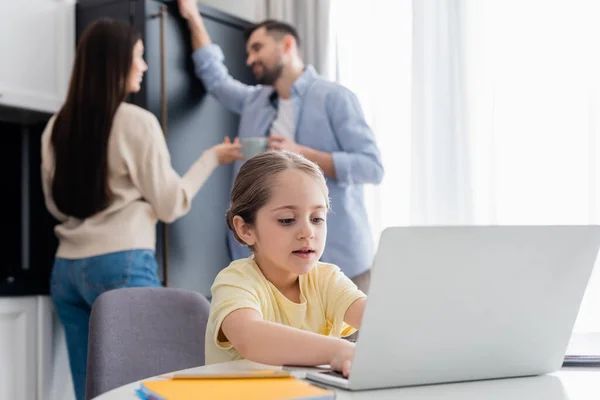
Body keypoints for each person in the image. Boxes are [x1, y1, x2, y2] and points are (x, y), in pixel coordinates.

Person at [40, 19, 242, 400]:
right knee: (146, 388)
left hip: (66, 270)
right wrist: (210, 158)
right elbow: (170, 204)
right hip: (122, 264)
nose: (144, 65)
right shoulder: (137, 123)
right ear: (116, 64)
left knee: (95, 392)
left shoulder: (56, 127)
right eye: (139, 56)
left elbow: (55, 205)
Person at [177, 0, 384, 293]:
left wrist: (302, 154)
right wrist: (193, 17)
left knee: (350, 340)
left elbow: (371, 167)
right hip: (275, 268)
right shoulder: (255, 101)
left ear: (287, 45)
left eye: (257, 48)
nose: (250, 59)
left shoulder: (334, 97)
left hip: (339, 263)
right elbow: (215, 77)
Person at [206, 150, 366, 377]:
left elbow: (380, 320)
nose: (307, 232)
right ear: (245, 229)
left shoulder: (327, 279)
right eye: (287, 220)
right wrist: (339, 351)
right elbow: (250, 338)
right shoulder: (234, 281)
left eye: (317, 218)